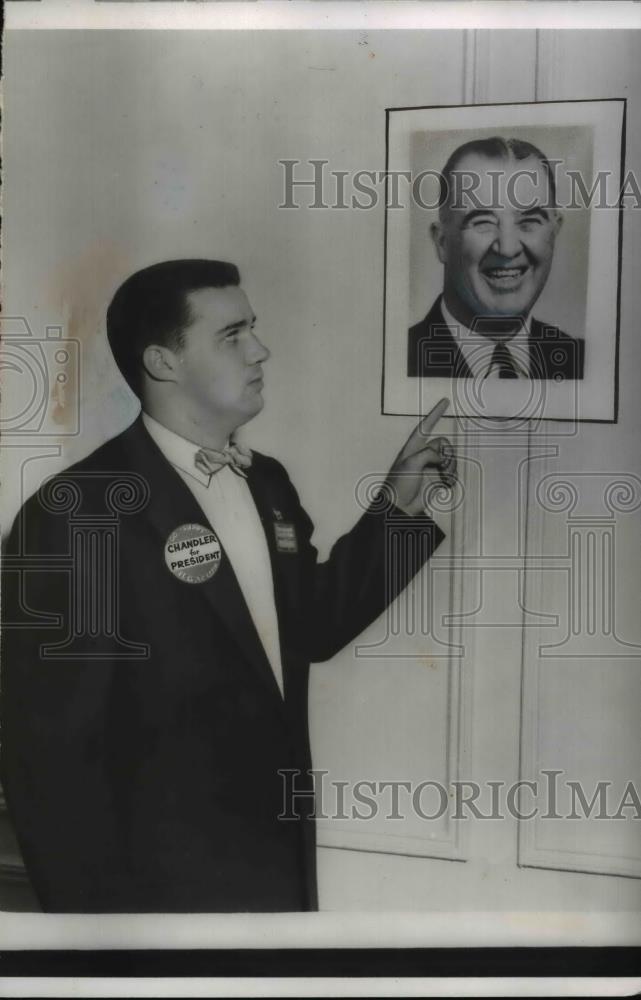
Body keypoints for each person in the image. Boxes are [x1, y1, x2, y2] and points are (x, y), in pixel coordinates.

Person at [1, 259, 455, 913]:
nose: (260, 350)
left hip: (276, 869)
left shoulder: (266, 480)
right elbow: (48, 754)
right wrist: (92, 935)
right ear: (163, 362)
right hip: (153, 901)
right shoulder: (76, 511)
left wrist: (398, 509)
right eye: (232, 335)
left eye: (254, 329)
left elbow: (312, 627)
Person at [407, 136, 585, 381]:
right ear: (442, 243)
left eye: (529, 221)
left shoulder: (582, 363)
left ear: (554, 232)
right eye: (483, 222)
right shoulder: (399, 359)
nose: (507, 249)